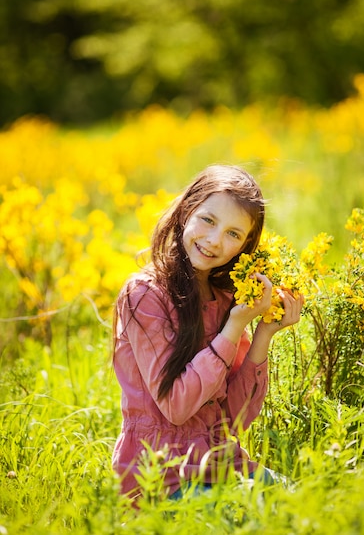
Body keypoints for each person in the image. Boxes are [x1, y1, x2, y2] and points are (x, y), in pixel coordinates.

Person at [112, 164, 304, 501]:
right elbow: (176, 407)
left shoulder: (228, 298)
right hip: (162, 479)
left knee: (308, 502)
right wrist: (234, 327)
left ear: (245, 245)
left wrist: (263, 333)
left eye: (233, 234)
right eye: (208, 220)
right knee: (258, 517)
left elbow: (235, 419)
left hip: (223, 467)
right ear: (187, 211)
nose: (215, 241)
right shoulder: (145, 295)